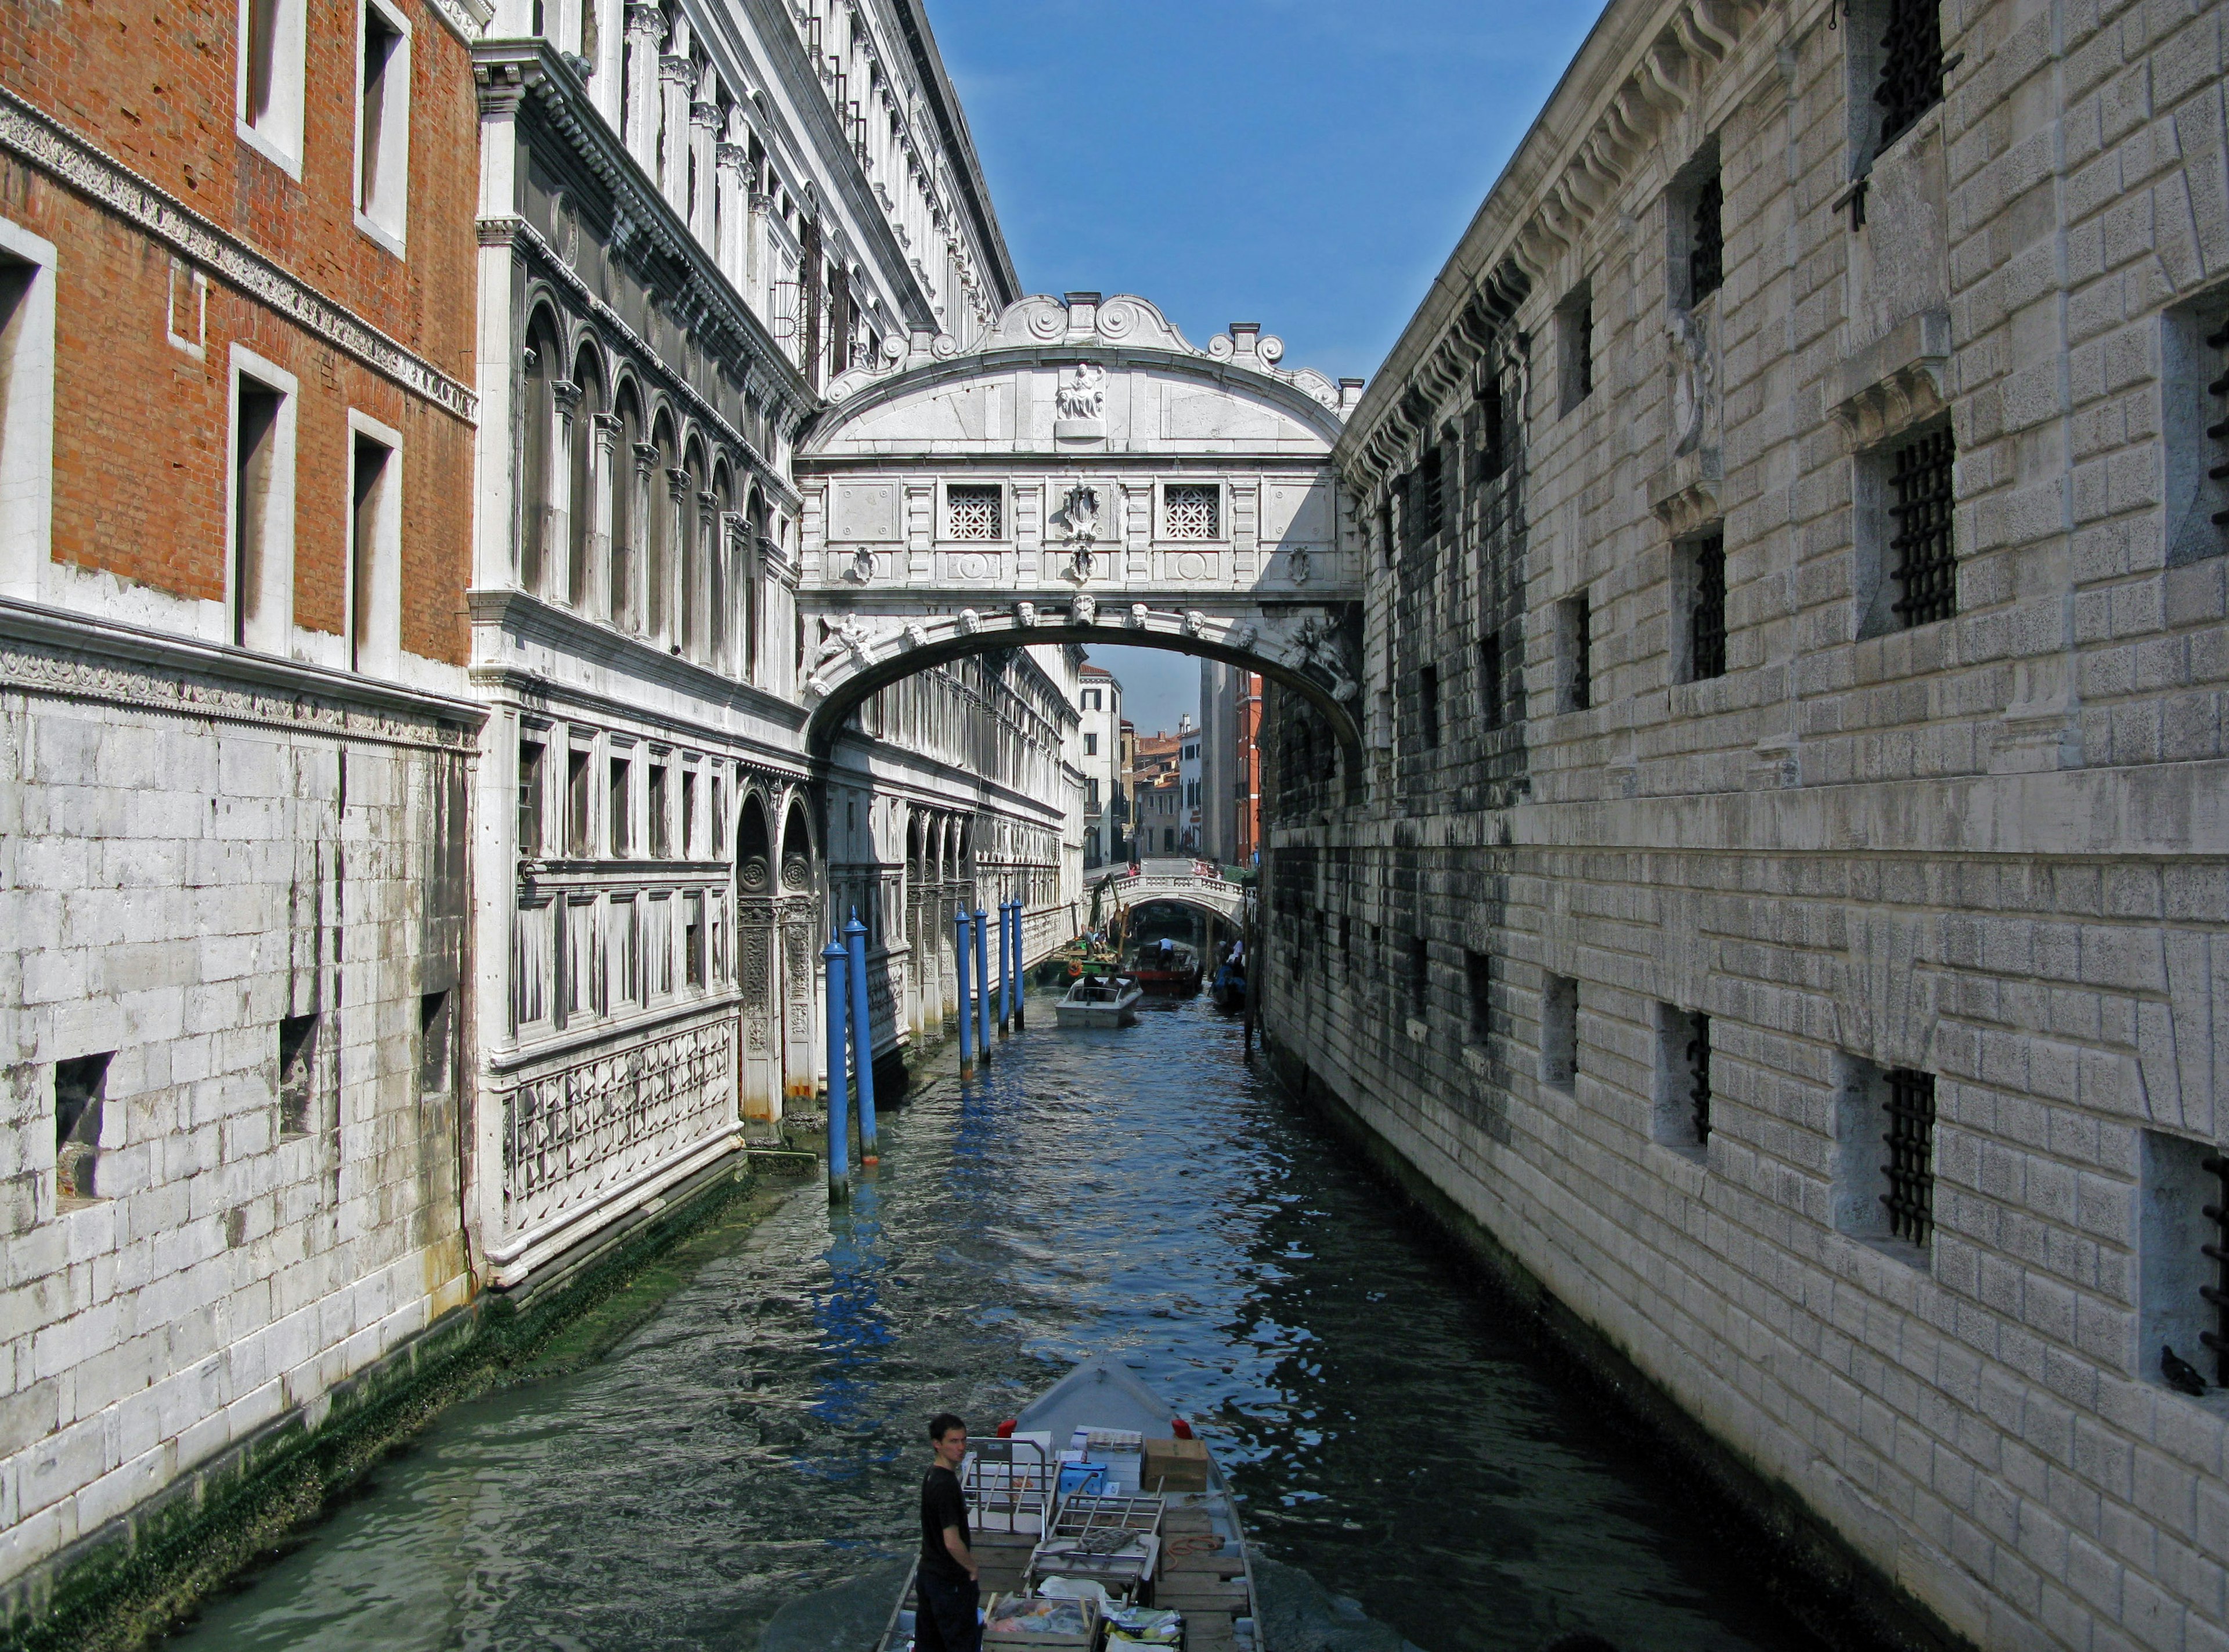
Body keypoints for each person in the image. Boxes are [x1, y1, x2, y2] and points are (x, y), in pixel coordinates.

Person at [917, 1412, 980, 1652]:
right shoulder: (946, 1485)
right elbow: (952, 1542)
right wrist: (972, 1567)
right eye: (953, 1442)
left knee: (930, 1643)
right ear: (937, 1444)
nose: (961, 1447)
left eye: (963, 1440)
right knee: (961, 1643)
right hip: (948, 1581)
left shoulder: (931, 1475)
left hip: (928, 1575)